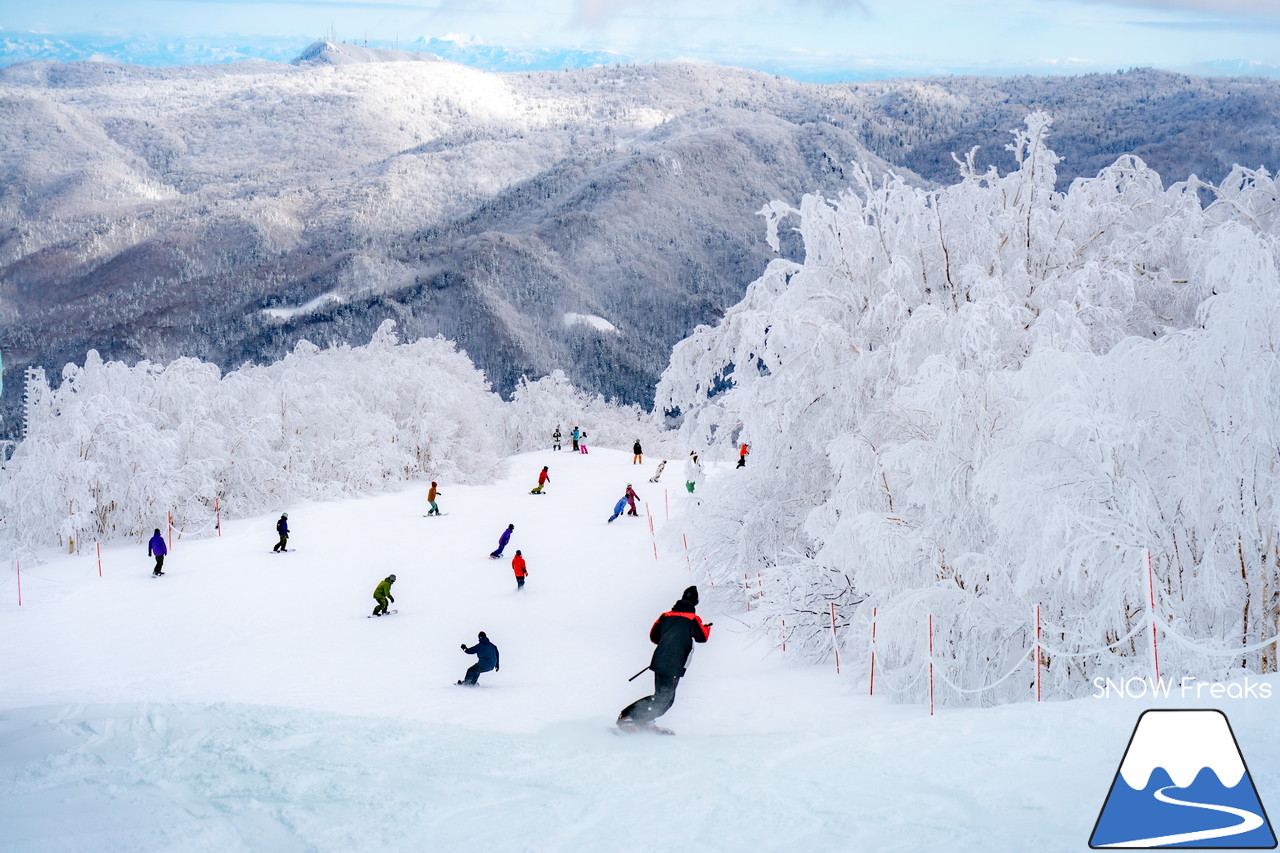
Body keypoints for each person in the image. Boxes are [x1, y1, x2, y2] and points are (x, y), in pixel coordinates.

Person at [617, 586, 712, 733]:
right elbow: (702, 637)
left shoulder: (665, 616)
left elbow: (654, 636)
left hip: (661, 659)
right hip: (674, 663)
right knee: (664, 698)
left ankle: (645, 720)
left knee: (666, 699)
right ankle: (627, 717)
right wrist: (706, 628)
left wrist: (669, 638)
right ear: (696, 602)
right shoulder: (693, 619)